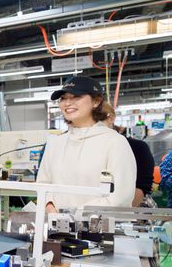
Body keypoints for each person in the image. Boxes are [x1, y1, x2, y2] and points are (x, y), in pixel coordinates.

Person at [37, 76, 136, 211]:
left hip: (99, 223)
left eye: (76, 97)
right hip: (56, 222)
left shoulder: (115, 142)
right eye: (63, 98)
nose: (67, 103)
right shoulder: (55, 143)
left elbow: (121, 197)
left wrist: (74, 215)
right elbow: (43, 185)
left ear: (96, 101)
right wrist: (50, 207)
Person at [102, 102, 155, 207]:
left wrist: (117, 213)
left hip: (130, 210)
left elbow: (141, 187)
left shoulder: (137, 147)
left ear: (110, 119)